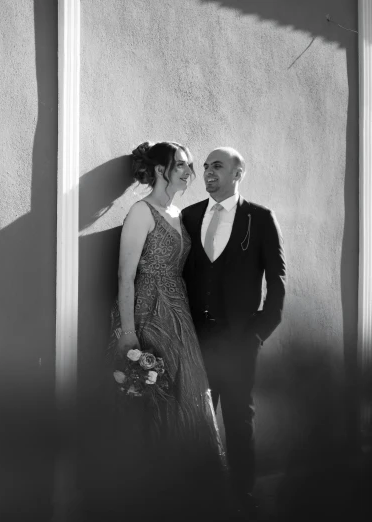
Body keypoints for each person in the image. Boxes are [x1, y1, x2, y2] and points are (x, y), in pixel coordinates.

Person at [105, 141, 231, 521]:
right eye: (181, 165)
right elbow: (125, 276)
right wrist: (128, 333)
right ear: (160, 170)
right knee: (153, 400)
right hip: (146, 315)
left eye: (190, 166)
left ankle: (185, 495)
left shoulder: (176, 212)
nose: (189, 173)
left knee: (188, 395)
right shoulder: (141, 212)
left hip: (178, 314)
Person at [182, 147, 286, 521]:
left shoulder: (260, 219)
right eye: (206, 167)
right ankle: (200, 496)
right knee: (197, 418)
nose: (208, 173)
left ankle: (242, 496)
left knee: (239, 420)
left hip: (240, 340)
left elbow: (277, 282)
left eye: (218, 167)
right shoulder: (190, 216)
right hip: (196, 339)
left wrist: (258, 332)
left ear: (238, 174)